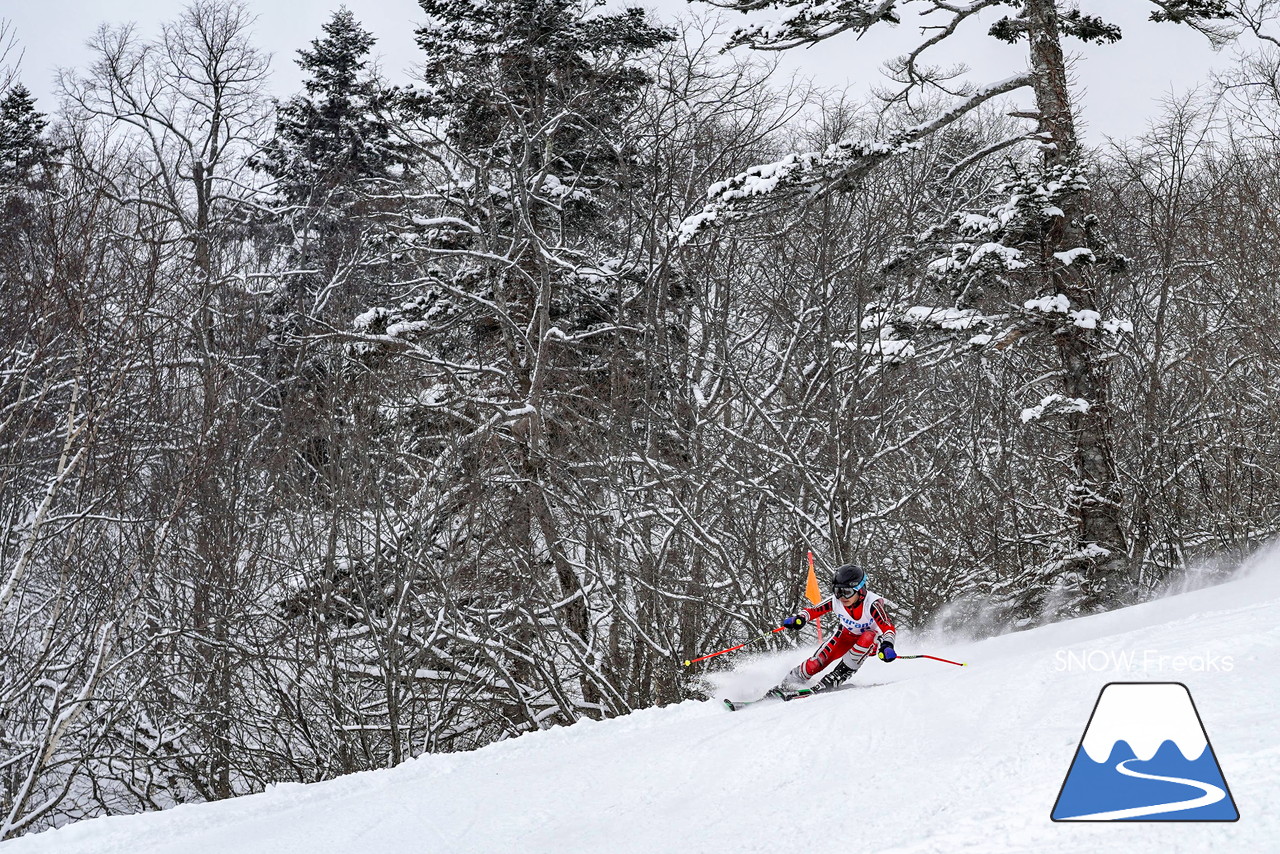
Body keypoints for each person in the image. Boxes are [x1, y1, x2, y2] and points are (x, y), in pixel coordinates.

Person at [773, 564, 897, 694]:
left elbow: (888, 627)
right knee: (817, 662)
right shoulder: (835, 601)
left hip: (869, 643)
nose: (842, 597)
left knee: (868, 635)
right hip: (845, 636)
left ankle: (836, 677)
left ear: (860, 590)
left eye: (847, 592)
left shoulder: (872, 603)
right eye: (838, 591)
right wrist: (800, 619)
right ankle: (790, 681)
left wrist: (887, 645)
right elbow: (813, 611)